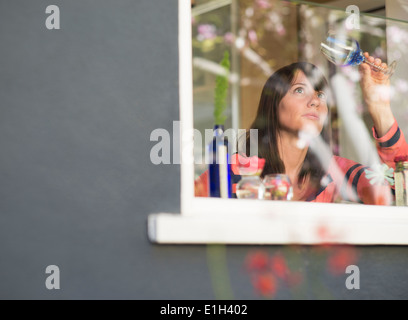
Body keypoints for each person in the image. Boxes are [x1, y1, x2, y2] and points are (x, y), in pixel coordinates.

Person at [195, 54, 408, 204]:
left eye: (321, 95)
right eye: (299, 90)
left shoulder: (337, 172)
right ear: (273, 106)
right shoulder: (231, 171)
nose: (315, 101)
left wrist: (380, 109)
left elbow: (400, 193)